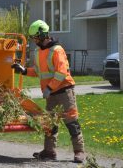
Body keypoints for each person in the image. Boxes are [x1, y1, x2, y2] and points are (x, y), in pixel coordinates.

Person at [11, 20, 85, 163]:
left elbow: (61, 72)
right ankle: (49, 152)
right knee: (50, 124)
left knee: (71, 122)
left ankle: (79, 152)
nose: (34, 40)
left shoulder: (57, 50)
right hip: (50, 93)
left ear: (43, 35)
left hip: (64, 91)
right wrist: (24, 70)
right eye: (33, 38)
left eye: (35, 37)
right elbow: (39, 71)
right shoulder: (38, 51)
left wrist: (49, 88)